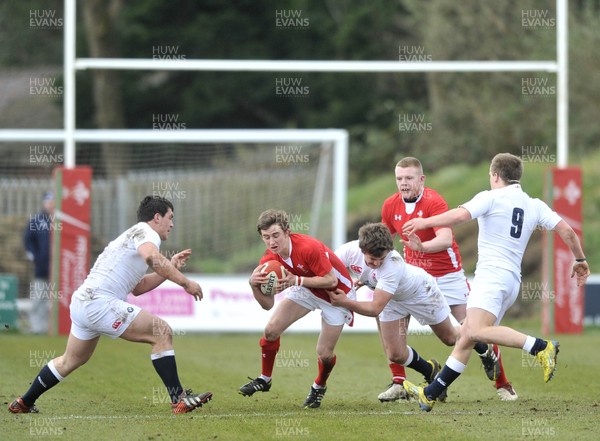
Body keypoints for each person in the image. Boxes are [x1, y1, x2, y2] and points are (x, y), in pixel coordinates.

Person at [401, 153, 590, 412]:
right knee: (467, 335)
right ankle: (430, 393)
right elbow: (567, 231)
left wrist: (425, 221)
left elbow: (458, 216)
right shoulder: (534, 204)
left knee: (476, 332)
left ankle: (540, 347)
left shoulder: (490, 197)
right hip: (512, 281)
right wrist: (580, 259)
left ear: (495, 176)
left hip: (491, 277)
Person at [9, 196, 212, 415]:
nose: (172, 224)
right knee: (161, 332)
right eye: (170, 217)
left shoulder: (132, 235)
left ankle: (24, 402)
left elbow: (139, 286)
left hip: (83, 303)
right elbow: (153, 258)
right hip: (99, 303)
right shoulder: (147, 233)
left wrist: (170, 266)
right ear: (157, 217)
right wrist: (185, 282)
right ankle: (179, 399)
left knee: (71, 360)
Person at [379, 156, 517, 402]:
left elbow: (444, 239)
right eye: (399, 178)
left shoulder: (434, 201)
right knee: (389, 317)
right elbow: (383, 240)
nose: (403, 183)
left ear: (421, 179)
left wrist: (420, 247)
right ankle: (399, 381)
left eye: (409, 178)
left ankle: (502, 382)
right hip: (413, 276)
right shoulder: (390, 205)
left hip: (447, 276)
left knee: (473, 328)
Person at [240, 209, 355, 408]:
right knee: (271, 330)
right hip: (306, 288)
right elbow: (267, 305)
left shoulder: (307, 247)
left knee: (324, 354)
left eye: (276, 235)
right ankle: (264, 379)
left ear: (287, 232)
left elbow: (331, 280)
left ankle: (319, 386)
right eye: (266, 237)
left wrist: (297, 280)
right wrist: (253, 284)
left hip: (337, 295)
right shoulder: (269, 259)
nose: (271, 242)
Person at [331, 223, 458, 393]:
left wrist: (344, 301)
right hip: (392, 300)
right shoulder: (348, 250)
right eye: (372, 259)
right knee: (395, 354)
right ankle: (430, 371)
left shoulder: (393, 264)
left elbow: (375, 309)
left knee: (449, 339)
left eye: (381, 259)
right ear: (362, 249)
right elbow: (328, 269)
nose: (376, 263)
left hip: (420, 293)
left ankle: (475, 336)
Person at [23, 191, 54, 334]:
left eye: (53, 201)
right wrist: (34, 257)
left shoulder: (63, 221)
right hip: (41, 269)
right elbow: (28, 241)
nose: (50, 205)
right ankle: (38, 328)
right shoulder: (36, 221)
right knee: (39, 299)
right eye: (48, 202)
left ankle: (59, 329)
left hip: (61, 270)